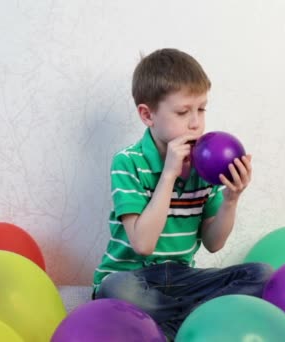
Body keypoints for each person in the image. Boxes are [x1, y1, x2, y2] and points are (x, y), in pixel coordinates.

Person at [92, 48, 273, 340]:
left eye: (201, 109)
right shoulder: (128, 162)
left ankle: (167, 326)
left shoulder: (207, 164)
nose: (195, 123)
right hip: (133, 278)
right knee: (115, 290)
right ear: (147, 115)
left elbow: (214, 244)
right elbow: (143, 244)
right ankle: (197, 322)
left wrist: (231, 199)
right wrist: (169, 174)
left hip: (182, 277)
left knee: (262, 275)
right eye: (182, 112)